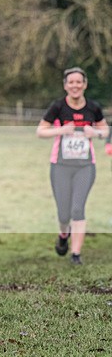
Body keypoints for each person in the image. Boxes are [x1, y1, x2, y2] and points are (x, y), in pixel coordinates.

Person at [36, 67, 108, 265]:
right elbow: (40, 131)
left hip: (85, 166)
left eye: (79, 82)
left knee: (78, 209)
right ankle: (63, 235)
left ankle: (76, 254)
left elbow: (105, 130)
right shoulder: (58, 107)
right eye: (71, 82)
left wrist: (96, 133)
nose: (75, 85)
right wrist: (60, 130)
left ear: (84, 85)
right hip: (60, 166)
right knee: (63, 213)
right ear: (65, 85)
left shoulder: (93, 108)